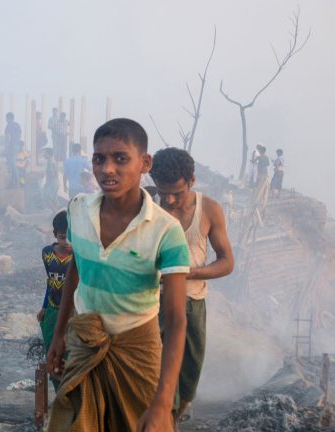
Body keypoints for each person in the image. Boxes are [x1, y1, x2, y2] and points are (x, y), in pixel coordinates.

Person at [47, 118, 190, 432]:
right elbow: (77, 268)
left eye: (120, 158)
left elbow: (177, 320)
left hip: (137, 350)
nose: (107, 169)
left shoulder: (166, 231)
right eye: (99, 159)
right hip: (84, 342)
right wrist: (59, 334)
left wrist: (163, 403)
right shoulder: (78, 210)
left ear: (144, 163)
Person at [150, 147, 235, 425]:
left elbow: (226, 262)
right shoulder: (146, 207)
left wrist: (186, 274)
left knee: (187, 377)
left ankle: (172, 420)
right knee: (153, 375)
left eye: (177, 192)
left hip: (192, 303)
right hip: (149, 303)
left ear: (192, 181)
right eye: (164, 193)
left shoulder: (208, 209)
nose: (170, 200)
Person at [37, 210, 72, 390]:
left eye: (69, 238)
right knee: (53, 353)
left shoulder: (79, 256)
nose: (65, 243)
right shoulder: (47, 254)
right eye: (61, 237)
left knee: (71, 354)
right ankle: (60, 394)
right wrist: (44, 306)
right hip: (52, 310)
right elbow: (51, 282)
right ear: (55, 235)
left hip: (73, 312)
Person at [4, 112, 22, 185]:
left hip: (11, 147)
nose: (6, 120)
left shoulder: (8, 126)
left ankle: (16, 181)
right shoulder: (17, 125)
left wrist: (6, 149)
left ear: (8, 118)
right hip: (17, 146)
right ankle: (14, 181)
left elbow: (8, 138)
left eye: (6, 118)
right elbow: (20, 136)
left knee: (12, 165)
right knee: (13, 163)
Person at [42, 146, 60, 210]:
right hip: (55, 181)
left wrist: (47, 183)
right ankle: (56, 212)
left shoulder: (50, 162)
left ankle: (55, 211)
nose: (44, 154)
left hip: (52, 182)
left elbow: (51, 174)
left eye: (45, 153)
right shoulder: (52, 160)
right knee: (54, 198)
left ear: (48, 154)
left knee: (46, 196)